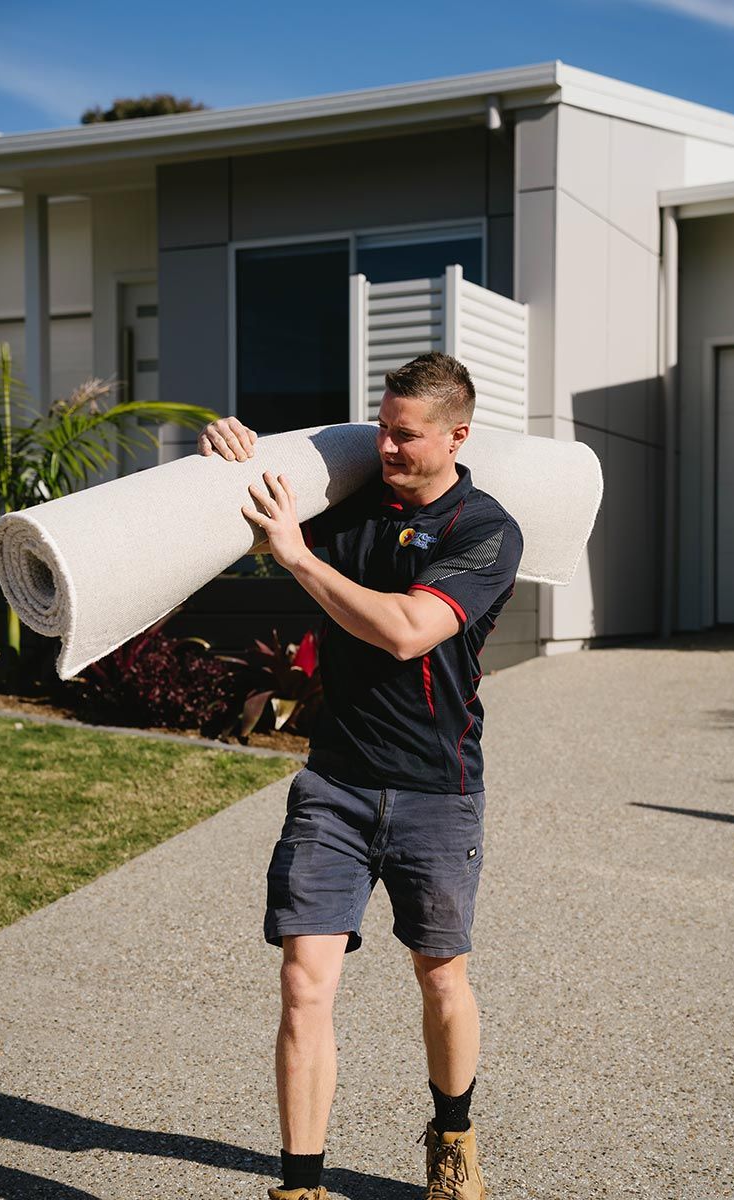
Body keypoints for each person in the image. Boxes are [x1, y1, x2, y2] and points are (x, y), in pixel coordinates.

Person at [198, 353, 523, 1200]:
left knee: (440, 973)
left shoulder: (484, 531)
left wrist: (299, 559)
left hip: (436, 789)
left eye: (405, 435)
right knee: (304, 983)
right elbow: (253, 501)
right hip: (333, 786)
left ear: (457, 435)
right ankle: (299, 1186)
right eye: (380, 427)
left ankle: (453, 1132)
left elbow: (409, 631)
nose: (385, 446)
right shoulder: (350, 507)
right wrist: (227, 457)